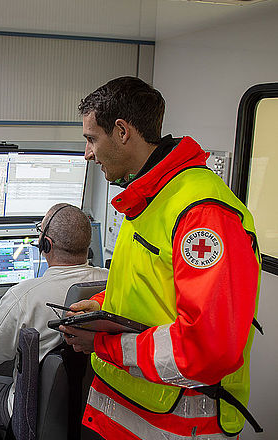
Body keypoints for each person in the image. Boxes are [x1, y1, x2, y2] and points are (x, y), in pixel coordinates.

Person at [60, 76, 262, 439]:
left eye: (91, 139)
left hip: (175, 425)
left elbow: (207, 349)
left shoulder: (201, 214)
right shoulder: (148, 199)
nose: (87, 154)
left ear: (122, 131)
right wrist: (100, 308)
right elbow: (151, 289)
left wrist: (104, 343)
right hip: (122, 415)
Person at [0, 204, 109, 439]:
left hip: (30, 409)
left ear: (46, 244)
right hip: (95, 408)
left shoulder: (25, 295)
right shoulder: (111, 284)